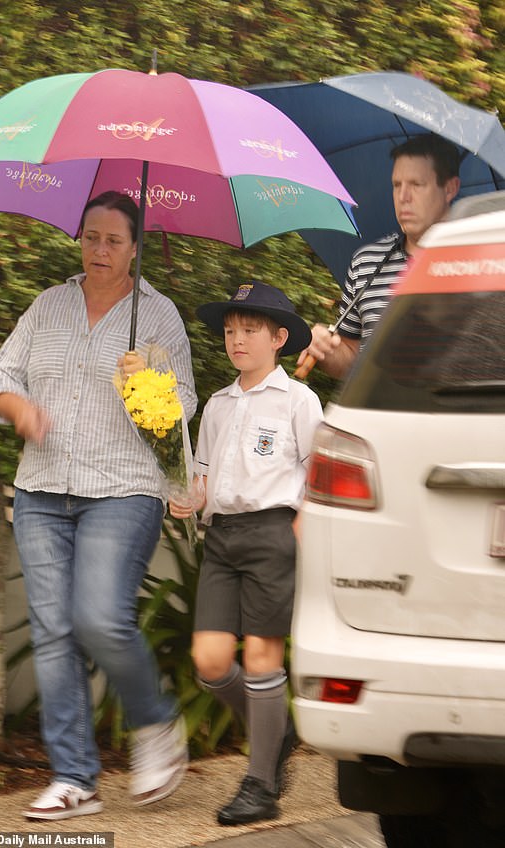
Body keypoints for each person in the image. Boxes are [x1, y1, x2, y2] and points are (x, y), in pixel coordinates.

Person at [0, 191, 197, 820]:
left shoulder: (158, 317)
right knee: (53, 633)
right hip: (42, 488)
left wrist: (147, 385)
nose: (99, 249)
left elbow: (181, 408)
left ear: (134, 247)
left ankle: (156, 723)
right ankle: (75, 779)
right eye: (90, 237)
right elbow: (2, 376)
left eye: (112, 239)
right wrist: (18, 408)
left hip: (122, 488)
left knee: (99, 619)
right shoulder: (48, 305)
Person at [169, 281, 323, 826]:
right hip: (224, 539)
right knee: (211, 663)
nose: (236, 340)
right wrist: (189, 496)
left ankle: (260, 786)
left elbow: (318, 471)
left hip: (273, 535)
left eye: (249, 330)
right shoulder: (217, 403)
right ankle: (273, 735)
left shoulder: (299, 401)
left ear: (279, 338)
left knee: (262, 658)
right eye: (231, 331)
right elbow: (205, 474)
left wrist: (299, 529)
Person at [298, 135, 461, 379]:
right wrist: (328, 352)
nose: (403, 197)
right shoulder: (367, 261)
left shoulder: (481, 260)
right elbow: (350, 360)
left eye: (416, 184)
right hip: (377, 415)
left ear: (449, 188)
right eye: (397, 185)